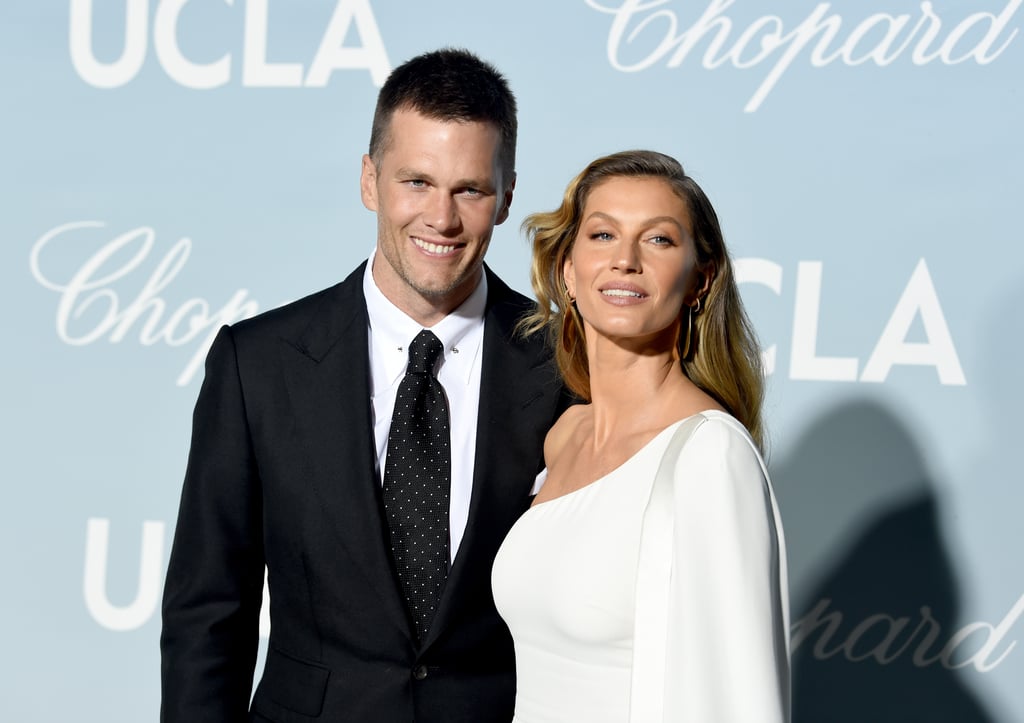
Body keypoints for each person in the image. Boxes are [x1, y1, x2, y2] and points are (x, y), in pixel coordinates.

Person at [160, 48, 566, 723]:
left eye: (470, 188)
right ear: (370, 180)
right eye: (417, 182)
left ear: (508, 197)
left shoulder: (566, 367)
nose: (441, 217)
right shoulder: (257, 364)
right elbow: (209, 612)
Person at [492, 150, 790, 721]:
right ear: (567, 271)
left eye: (658, 240)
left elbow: (738, 697)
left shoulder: (709, 456)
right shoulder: (563, 436)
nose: (624, 260)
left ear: (700, 280)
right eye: (602, 234)